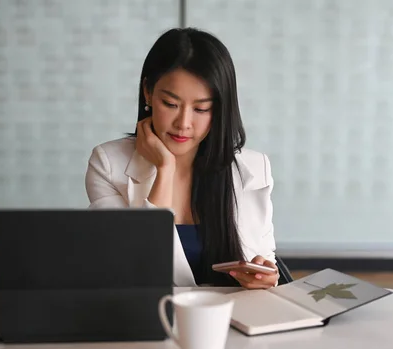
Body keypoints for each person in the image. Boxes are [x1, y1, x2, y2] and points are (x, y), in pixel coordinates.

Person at [85, 27, 278, 289]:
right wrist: (165, 169)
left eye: (201, 109)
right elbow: (131, 268)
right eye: (171, 104)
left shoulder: (254, 168)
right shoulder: (108, 164)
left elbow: (265, 263)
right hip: (151, 322)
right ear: (148, 93)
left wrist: (265, 278)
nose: (183, 123)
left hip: (233, 322)